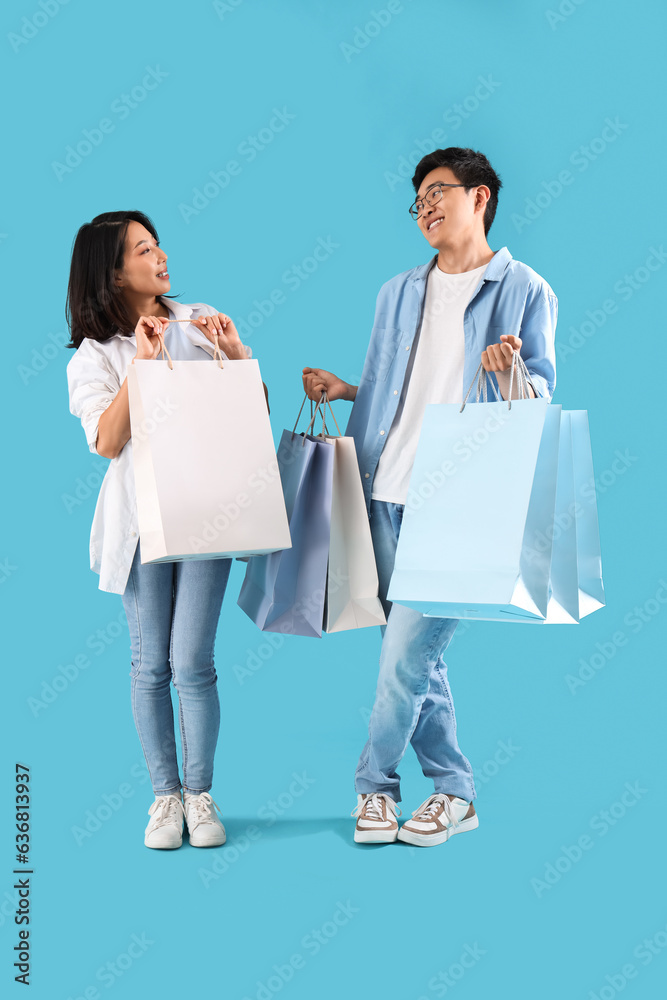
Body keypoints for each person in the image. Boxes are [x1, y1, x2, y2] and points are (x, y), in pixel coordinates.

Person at [302, 147, 557, 847]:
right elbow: (400, 389)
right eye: (416, 200)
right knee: (416, 661)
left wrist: (511, 373)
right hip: (384, 490)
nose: (425, 208)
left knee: (404, 662)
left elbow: (538, 395)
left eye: (438, 193)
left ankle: (372, 787)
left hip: (460, 503)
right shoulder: (396, 291)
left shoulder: (523, 288)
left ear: (480, 197)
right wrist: (347, 391)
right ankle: (454, 790)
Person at [66, 211, 263, 850]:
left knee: (193, 662)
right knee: (151, 665)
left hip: (205, 512)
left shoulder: (199, 319)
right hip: (140, 525)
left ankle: (200, 797)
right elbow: (107, 440)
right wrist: (144, 365)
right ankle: (164, 799)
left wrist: (236, 355)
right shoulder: (96, 356)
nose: (160, 257)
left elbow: (247, 417)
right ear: (112, 272)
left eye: (157, 245)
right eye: (143, 250)